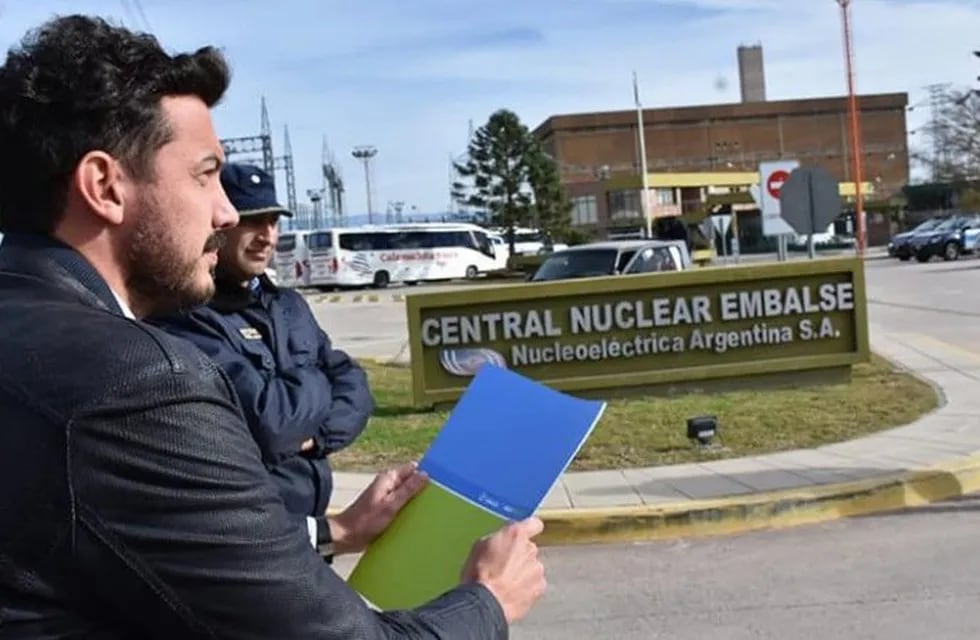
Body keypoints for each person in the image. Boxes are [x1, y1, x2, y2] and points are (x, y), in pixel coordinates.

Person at [0, 14, 545, 639]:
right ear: (105, 186)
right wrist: (487, 601)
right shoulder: (139, 383)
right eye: (205, 174)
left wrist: (336, 531)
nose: (225, 211)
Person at [149, 162, 371, 534]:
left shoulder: (287, 305)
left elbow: (354, 384)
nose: (267, 236)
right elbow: (274, 426)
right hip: (252, 534)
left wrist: (318, 436)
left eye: (273, 221)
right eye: (252, 222)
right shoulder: (187, 316)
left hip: (311, 529)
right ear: (219, 224)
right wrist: (316, 377)